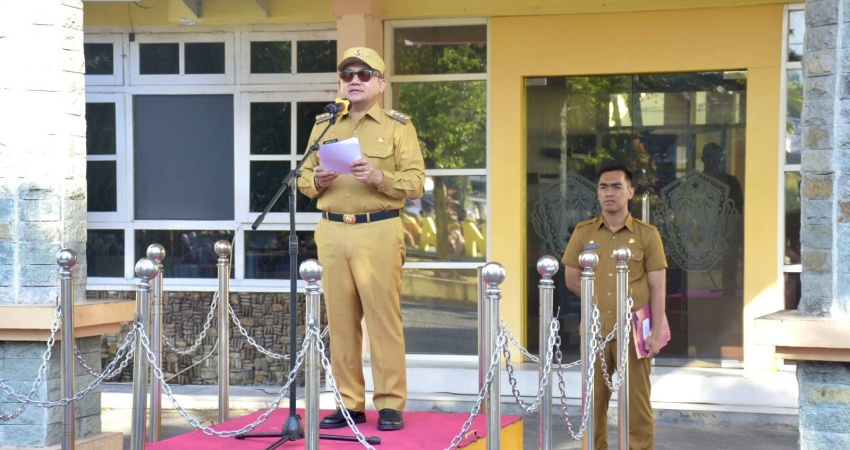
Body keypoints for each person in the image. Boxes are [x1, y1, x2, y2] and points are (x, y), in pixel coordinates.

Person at [297, 46, 425, 431]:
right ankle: (349, 403)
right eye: (347, 74)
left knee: (382, 318)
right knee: (339, 320)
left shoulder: (398, 128)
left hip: (379, 228)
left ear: (381, 84)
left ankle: (389, 403)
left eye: (364, 74)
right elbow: (303, 178)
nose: (354, 80)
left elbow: (417, 183)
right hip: (333, 229)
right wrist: (315, 181)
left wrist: (380, 178)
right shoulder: (325, 125)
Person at [562, 164, 667, 449]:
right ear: (597, 193)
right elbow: (571, 277)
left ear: (630, 192)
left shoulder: (647, 235)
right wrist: (598, 299)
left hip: (634, 332)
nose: (609, 192)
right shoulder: (584, 233)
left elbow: (658, 287)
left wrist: (656, 331)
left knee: (636, 403)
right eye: (603, 187)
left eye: (616, 186)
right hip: (595, 331)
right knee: (593, 401)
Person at [701, 143, 743, 296]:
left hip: (727, 227)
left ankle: (729, 287)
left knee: (730, 254)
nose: (713, 162)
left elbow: (738, 210)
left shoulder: (731, 182)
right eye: (709, 158)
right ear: (703, 158)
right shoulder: (696, 183)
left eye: (716, 158)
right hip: (701, 229)